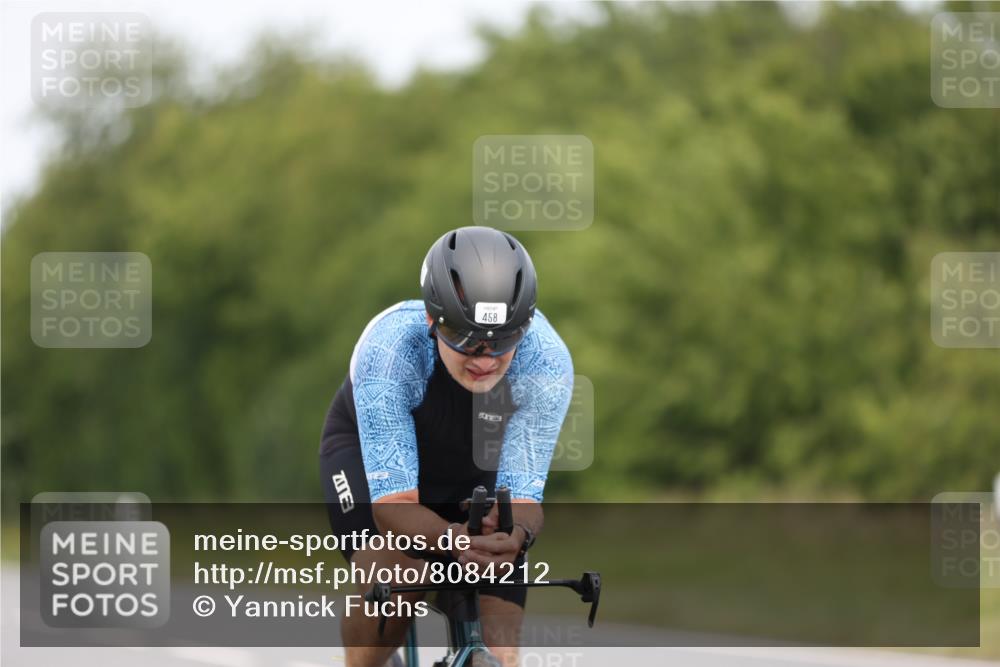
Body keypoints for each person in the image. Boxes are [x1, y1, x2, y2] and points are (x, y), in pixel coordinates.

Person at [320, 226, 574, 667]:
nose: (484, 359)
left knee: (501, 649)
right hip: (371, 464)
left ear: (525, 328)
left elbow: (526, 500)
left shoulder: (546, 361)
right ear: (431, 319)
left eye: (502, 342)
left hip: (473, 473)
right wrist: (451, 541)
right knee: (398, 574)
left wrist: (514, 534)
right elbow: (394, 506)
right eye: (466, 338)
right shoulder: (390, 350)